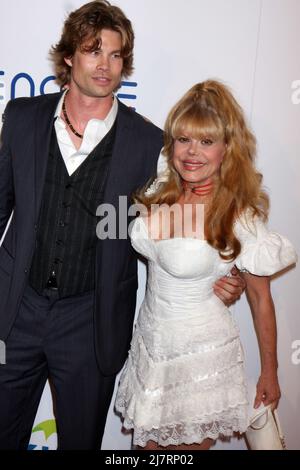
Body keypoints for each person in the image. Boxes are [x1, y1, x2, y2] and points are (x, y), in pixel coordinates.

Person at [0, 2, 244, 450]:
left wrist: (228, 269)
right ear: (70, 56)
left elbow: (193, 209)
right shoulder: (21, 118)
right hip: (14, 312)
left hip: (90, 321)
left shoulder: (148, 141)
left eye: (115, 55)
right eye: (94, 52)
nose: (105, 65)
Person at [115, 79, 298, 450]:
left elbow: (262, 300)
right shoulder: (159, 192)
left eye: (206, 141)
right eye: (183, 139)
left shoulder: (237, 214)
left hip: (200, 362)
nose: (192, 152)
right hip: (152, 352)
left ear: (227, 148)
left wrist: (270, 373)